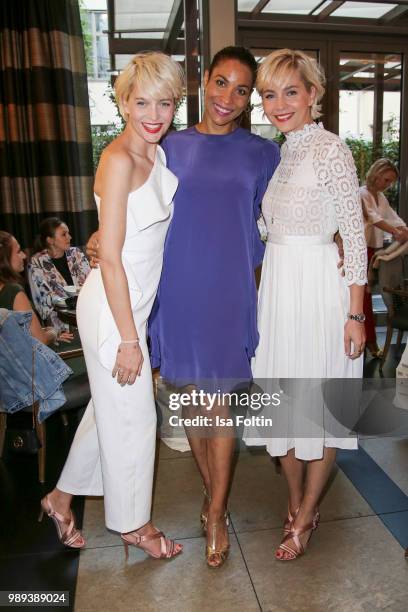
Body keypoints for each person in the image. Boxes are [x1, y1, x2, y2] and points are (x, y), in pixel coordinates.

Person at [88, 46, 281, 567]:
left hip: (230, 291)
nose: (229, 98)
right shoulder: (168, 142)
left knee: (218, 409)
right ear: (203, 82)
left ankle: (216, 511)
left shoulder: (263, 153)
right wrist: (99, 236)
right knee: (193, 405)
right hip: (177, 289)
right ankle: (209, 494)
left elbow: (279, 219)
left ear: (249, 99)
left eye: (242, 90)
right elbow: (130, 201)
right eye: (221, 83)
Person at [40, 52, 184, 559]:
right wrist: (128, 340)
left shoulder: (156, 153)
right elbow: (114, 262)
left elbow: (120, 232)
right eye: (142, 101)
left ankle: (59, 500)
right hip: (112, 312)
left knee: (106, 415)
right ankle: (133, 526)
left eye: (164, 102)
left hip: (131, 307)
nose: (154, 113)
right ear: (123, 101)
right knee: (135, 418)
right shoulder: (119, 158)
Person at [244, 49, 367, 561]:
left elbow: (355, 236)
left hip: (319, 291)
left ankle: (308, 508)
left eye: (289, 92)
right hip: (277, 292)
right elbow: (269, 228)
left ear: (313, 95)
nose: (278, 104)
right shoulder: (280, 152)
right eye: (269, 95)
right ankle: (297, 502)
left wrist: (356, 312)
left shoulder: (332, 150)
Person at [360, 159, 408, 358]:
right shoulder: (362, 193)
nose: (388, 185)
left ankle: (367, 341)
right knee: (362, 299)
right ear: (377, 174)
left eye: (391, 182)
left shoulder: (380, 197)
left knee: (367, 298)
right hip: (361, 251)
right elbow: (373, 218)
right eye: (386, 180)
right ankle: (369, 341)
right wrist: (396, 232)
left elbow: (392, 216)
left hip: (374, 252)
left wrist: (404, 229)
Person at [28, 217, 90, 335]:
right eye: (64, 234)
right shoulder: (37, 262)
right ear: (50, 240)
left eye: (68, 233)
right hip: (60, 326)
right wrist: (56, 333)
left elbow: (90, 282)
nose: (69, 237)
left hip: (87, 315)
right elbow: (42, 303)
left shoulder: (76, 253)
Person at [0, 230, 64, 345]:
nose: (24, 256)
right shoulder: (13, 292)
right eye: (18, 251)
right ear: (4, 259)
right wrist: (54, 332)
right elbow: (39, 341)